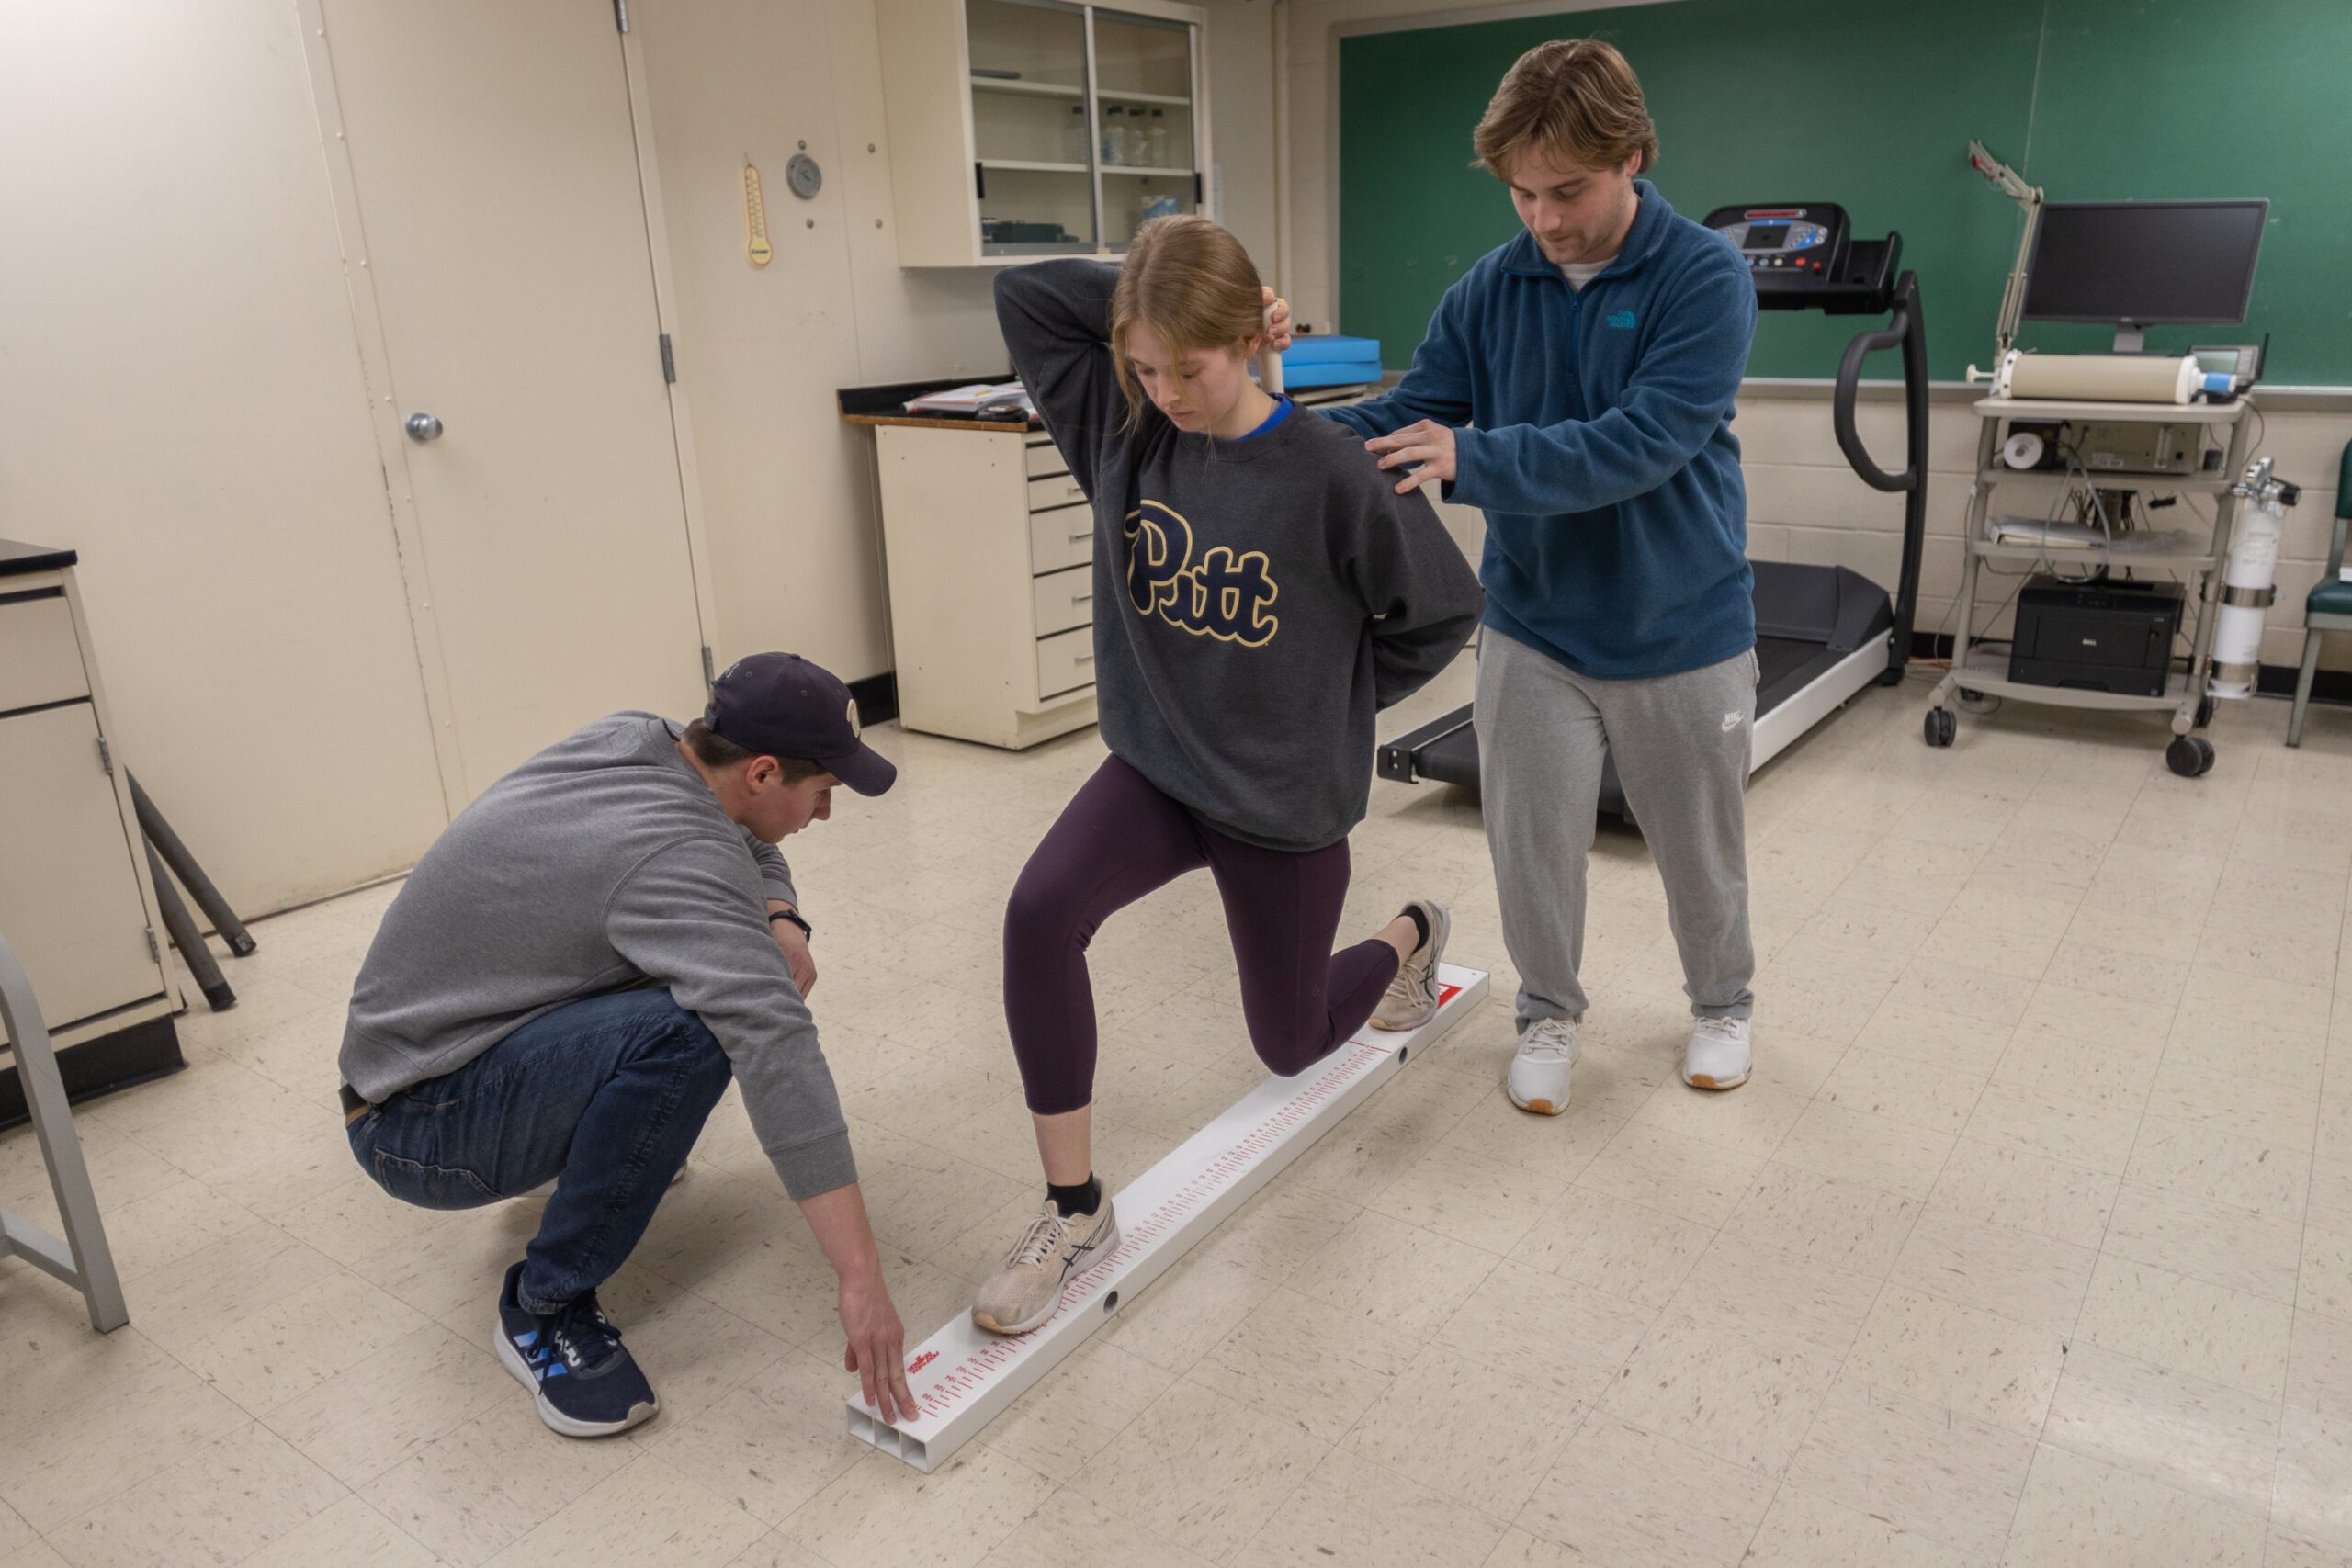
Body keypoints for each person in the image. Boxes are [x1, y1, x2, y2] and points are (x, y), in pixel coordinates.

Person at [973, 217, 1484, 1335]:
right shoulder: (1121, 431)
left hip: (1279, 800)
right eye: (1142, 365)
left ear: (1249, 341)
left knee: (1291, 1045)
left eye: (1186, 366)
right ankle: (1072, 1211)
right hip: (1156, 770)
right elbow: (1025, 296)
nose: (1163, 390)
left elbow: (1442, 615)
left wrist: (1324, 705)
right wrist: (1162, 283)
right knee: (1037, 913)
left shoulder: (1335, 471)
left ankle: (1406, 933)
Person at [1306, 39, 1763, 1113]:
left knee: (1696, 853)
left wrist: (1473, 459)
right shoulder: (1490, 286)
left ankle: (1721, 1003)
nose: (1546, 219)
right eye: (1523, 194)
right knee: (1531, 847)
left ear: (1633, 157)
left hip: (1679, 627)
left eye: (1569, 190)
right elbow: (1420, 408)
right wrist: (1277, 431)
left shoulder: (1705, 275)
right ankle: (1546, 1012)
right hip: (1533, 627)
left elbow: (1640, 441)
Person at [338, 653, 920, 1436]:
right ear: (762, 771)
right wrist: (860, 1276)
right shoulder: (675, 858)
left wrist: (780, 909)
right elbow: (778, 1047)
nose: (824, 816)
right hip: (416, 1123)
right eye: (822, 793)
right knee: (700, 1027)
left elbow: (742, 845)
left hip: (423, 1058)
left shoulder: (643, 741)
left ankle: (614, 1135)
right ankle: (543, 1307)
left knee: (705, 973)